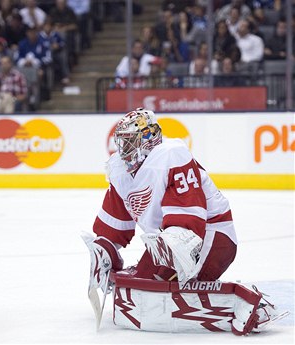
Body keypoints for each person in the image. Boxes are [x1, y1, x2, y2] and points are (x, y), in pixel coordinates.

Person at [82, 108, 286, 335]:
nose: (123, 151)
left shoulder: (172, 154)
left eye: (129, 142)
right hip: (167, 244)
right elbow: (114, 222)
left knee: (155, 283)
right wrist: (104, 249)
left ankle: (245, 306)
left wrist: (171, 264)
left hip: (212, 237)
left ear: (148, 138)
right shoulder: (119, 170)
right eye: (122, 143)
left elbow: (187, 224)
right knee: (138, 284)